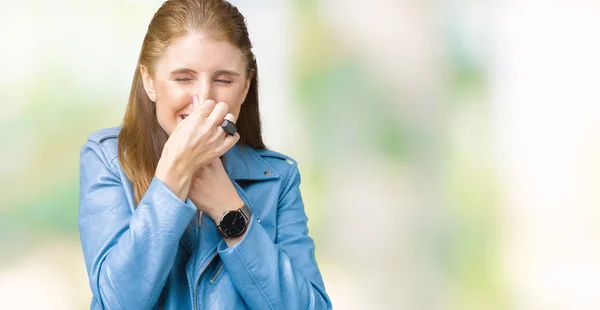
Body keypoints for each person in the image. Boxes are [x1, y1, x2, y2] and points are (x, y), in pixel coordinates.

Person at [78, 0, 331, 309]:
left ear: (245, 87)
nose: (203, 100)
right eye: (183, 78)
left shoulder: (278, 178)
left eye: (223, 80)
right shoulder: (108, 160)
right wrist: (171, 181)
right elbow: (116, 303)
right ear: (149, 82)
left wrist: (229, 210)